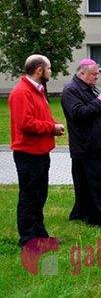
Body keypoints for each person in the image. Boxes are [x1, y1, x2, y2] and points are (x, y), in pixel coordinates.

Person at [9, 55, 65, 247]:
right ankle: (27, 239)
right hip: (28, 154)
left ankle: (40, 235)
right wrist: (51, 128)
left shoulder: (37, 91)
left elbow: (39, 117)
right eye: (49, 68)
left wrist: (52, 126)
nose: (51, 72)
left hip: (41, 152)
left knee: (39, 196)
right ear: (39, 70)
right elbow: (25, 124)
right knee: (29, 197)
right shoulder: (22, 92)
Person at [61, 59, 101, 226]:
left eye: (97, 74)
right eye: (94, 74)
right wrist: (100, 101)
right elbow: (78, 114)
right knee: (93, 186)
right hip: (87, 147)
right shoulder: (71, 91)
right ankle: (98, 217)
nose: (97, 77)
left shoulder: (90, 88)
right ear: (82, 73)